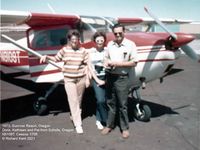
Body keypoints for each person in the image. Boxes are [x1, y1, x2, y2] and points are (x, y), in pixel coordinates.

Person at [40, 30, 104, 134]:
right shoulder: (64, 50)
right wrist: (46, 56)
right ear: (69, 40)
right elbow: (56, 59)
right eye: (72, 39)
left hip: (81, 79)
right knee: (73, 100)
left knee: (78, 101)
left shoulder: (83, 51)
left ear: (79, 40)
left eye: (76, 39)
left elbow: (88, 65)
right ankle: (78, 124)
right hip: (69, 79)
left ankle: (74, 115)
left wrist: (87, 78)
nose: (74, 41)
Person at [101, 23, 138, 139]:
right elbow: (106, 58)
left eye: (120, 33)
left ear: (124, 31)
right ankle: (109, 125)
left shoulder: (130, 45)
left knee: (123, 105)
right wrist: (106, 62)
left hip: (122, 78)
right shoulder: (110, 44)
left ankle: (125, 128)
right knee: (110, 103)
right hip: (110, 77)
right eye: (115, 33)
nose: (117, 35)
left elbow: (134, 62)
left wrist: (117, 64)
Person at [89, 31, 108, 130]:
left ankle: (99, 119)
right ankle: (104, 120)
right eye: (98, 40)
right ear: (95, 41)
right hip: (97, 79)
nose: (100, 42)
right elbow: (90, 68)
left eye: (102, 40)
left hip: (107, 78)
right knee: (100, 100)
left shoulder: (107, 51)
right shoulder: (91, 52)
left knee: (106, 100)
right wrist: (97, 80)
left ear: (104, 40)